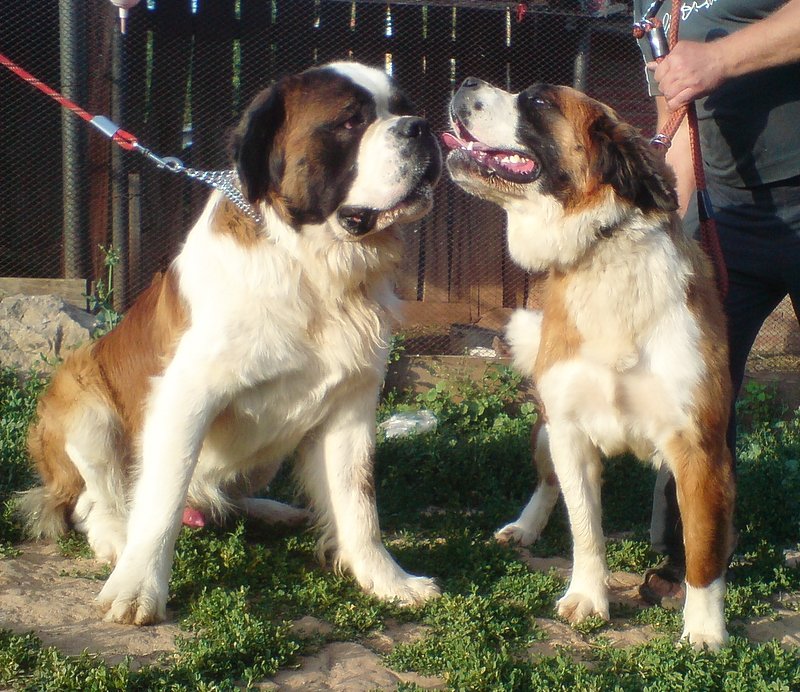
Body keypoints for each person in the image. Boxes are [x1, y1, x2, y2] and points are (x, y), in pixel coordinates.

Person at [632, 0, 800, 606]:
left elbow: (707, 66)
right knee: (693, 389)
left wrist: (720, 58)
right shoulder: (651, 5)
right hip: (724, 212)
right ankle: (694, 560)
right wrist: (672, 231)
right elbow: (676, 117)